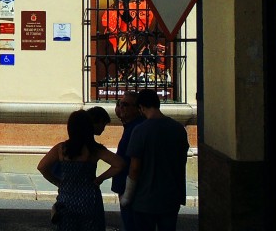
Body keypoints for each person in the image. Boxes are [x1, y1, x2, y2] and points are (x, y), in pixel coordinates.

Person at [38, 109, 126, 231]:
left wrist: (57, 182)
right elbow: (119, 164)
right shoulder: (94, 149)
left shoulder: (61, 149)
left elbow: (42, 167)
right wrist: (100, 179)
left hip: (67, 199)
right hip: (90, 199)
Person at [120, 89, 190, 231]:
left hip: (145, 199)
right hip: (171, 197)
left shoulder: (140, 130)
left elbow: (134, 168)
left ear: (141, 107)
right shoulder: (178, 129)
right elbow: (182, 159)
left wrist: (127, 196)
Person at [111, 91, 146, 231]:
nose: (120, 107)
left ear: (137, 108)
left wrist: (127, 194)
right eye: (119, 103)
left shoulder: (137, 128)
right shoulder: (130, 125)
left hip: (133, 191)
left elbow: (134, 163)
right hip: (126, 187)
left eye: (125, 104)